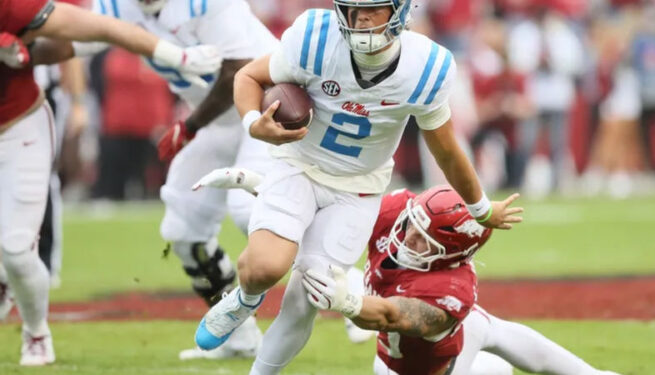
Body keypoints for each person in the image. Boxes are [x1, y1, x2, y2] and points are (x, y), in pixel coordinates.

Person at [193, 2, 524, 374]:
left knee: (307, 295)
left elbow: (446, 149)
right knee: (263, 268)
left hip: (357, 189)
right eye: (353, 9)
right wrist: (253, 122)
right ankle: (244, 300)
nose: (361, 18)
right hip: (299, 165)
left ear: (399, 11)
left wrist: (481, 209)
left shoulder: (426, 66)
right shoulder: (315, 38)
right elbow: (248, 77)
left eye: (373, 9)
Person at [193, 172, 618, 375]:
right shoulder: (400, 211)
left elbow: (391, 317)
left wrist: (347, 301)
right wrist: (265, 186)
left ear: (450, 253)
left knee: (484, 344)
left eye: (422, 240)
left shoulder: (451, 288)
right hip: (396, 352)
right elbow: (336, 207)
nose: (407, 237)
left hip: (428, 366)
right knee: (491, 330)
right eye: (412, 225)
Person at [0, 0, 220, 366]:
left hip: (18, 129)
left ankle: (36, 331)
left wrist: (175, 57)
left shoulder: (11, 7)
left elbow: (101, 28)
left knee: (16, 248)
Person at [60, 0, 279, 360]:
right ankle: (239, 337)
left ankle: (338, 274)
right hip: (218, 123)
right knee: (183, 229)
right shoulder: (118, 7)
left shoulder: (206, 4)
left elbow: (239, 70)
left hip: (263, 111)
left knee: (250, 214)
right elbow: (68, 35)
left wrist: (188, 126)